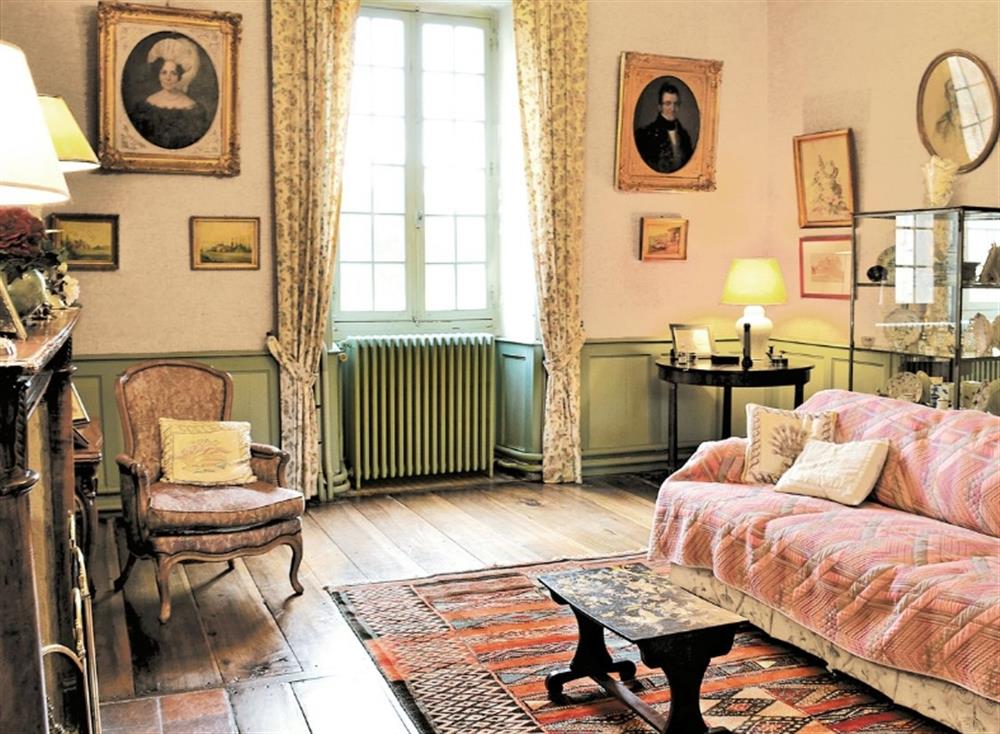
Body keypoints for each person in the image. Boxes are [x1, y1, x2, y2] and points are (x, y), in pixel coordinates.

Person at [128, 36, 211, 149]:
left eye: (173, 73)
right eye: (164, 72)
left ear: (180, 76)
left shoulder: (194, 109)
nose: (168, 78)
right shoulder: (145, 105)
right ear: (158, 75)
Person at [635, 82, 694, 173]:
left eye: (676, 104)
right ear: (660, 107)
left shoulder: (685, 136)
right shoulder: (645, 135)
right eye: (668, 103)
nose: (672, 108)